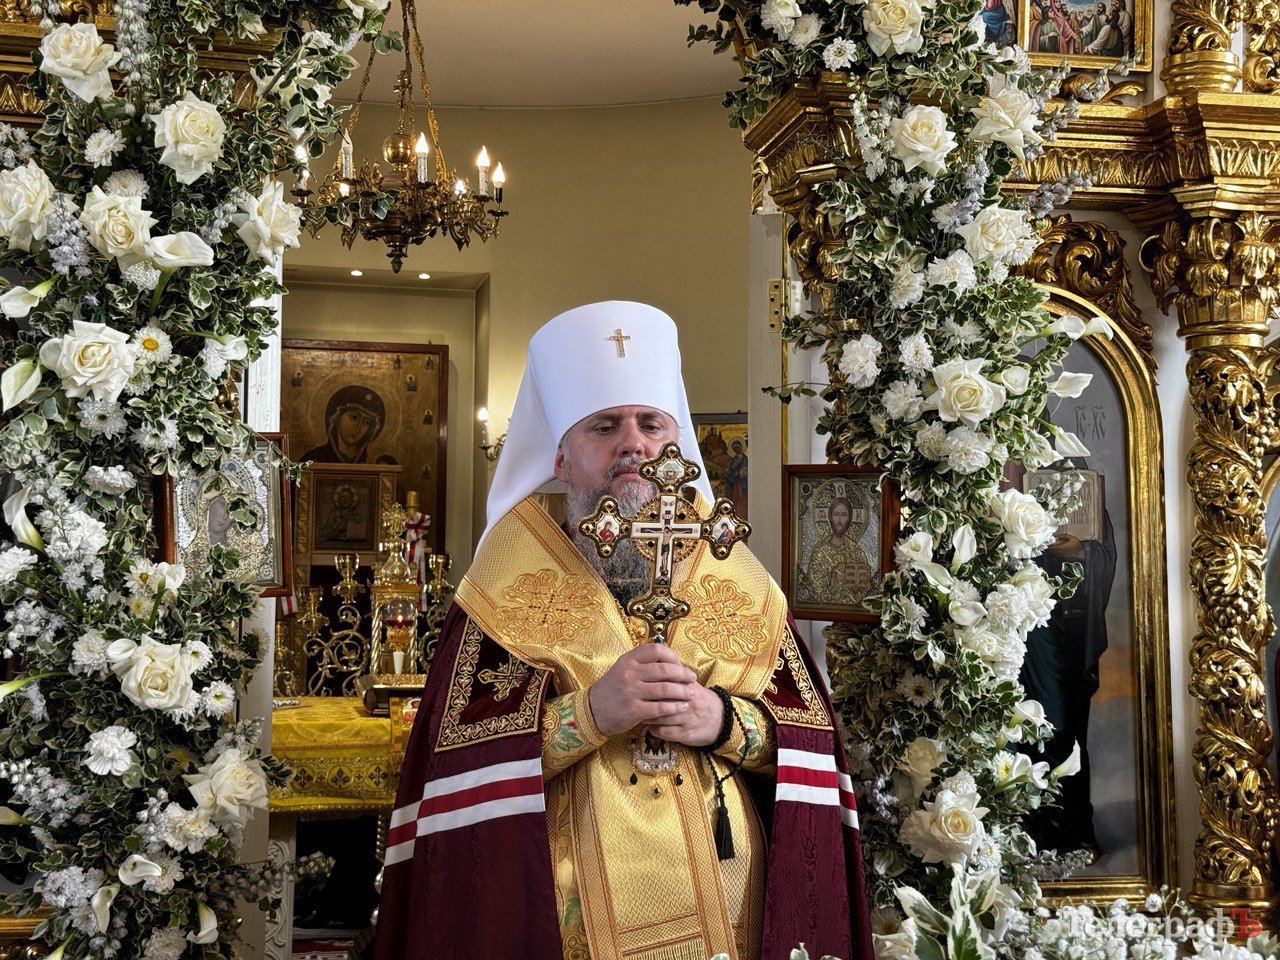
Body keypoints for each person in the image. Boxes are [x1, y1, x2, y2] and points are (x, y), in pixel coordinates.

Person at [373, 302, 872, 960]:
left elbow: (810, 749)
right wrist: (591, 714)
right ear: (560, 455)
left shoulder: (734, 577)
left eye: (650, 423)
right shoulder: (504, 587)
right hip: (566, 924)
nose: (632, 444)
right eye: (604, 426)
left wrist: (721, 721)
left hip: (734, 920)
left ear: (676, 444)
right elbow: (454, 772)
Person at [803, 495, 874, 606]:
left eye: (844, 515)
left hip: (852, 612)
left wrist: (857, 590)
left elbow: (865, 589)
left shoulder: (856, 552)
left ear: (849, 519)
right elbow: (812, 587)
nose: (839, 520)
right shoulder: (819, 551)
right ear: (830, 518)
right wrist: (831, 587)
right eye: (836, 514)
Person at [301, 385, 386, 463]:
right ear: (337, 417)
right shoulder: (314, 458)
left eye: (366, 422)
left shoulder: (375, 462)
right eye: (354, 417)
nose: (358, 428)